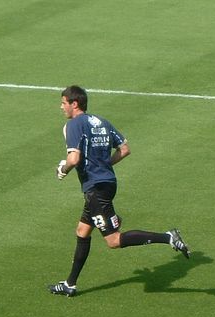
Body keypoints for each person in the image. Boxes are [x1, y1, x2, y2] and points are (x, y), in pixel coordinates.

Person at [48, 85, 190, 298]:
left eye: (63, 103)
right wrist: (105, 165)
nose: (61, 107)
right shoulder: (102, 122)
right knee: (82, 231)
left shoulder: (74, 125)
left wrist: (63, 169)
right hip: (107, 184)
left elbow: (74, 159)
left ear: (74, 104)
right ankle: (70, 284)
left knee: (113, 240)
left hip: (96, 189)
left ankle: (168, 237)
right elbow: (125, 149)